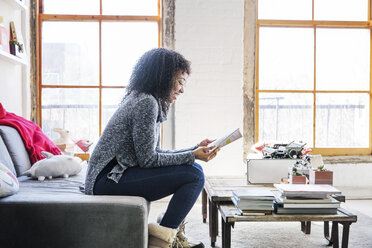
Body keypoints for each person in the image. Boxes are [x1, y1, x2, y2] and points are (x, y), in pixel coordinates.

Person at [84, 48, 220, 248]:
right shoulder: (146, 103)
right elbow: (149, 160)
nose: (182, 90)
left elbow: (152, 154)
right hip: (107, 180)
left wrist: (194, 150)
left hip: (112, 176)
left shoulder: (144, 98)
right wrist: (192, 156)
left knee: (194, 170)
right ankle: (162, 241)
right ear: (164, 77)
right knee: (194, 175)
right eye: (180, 81)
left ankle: (167, 235)